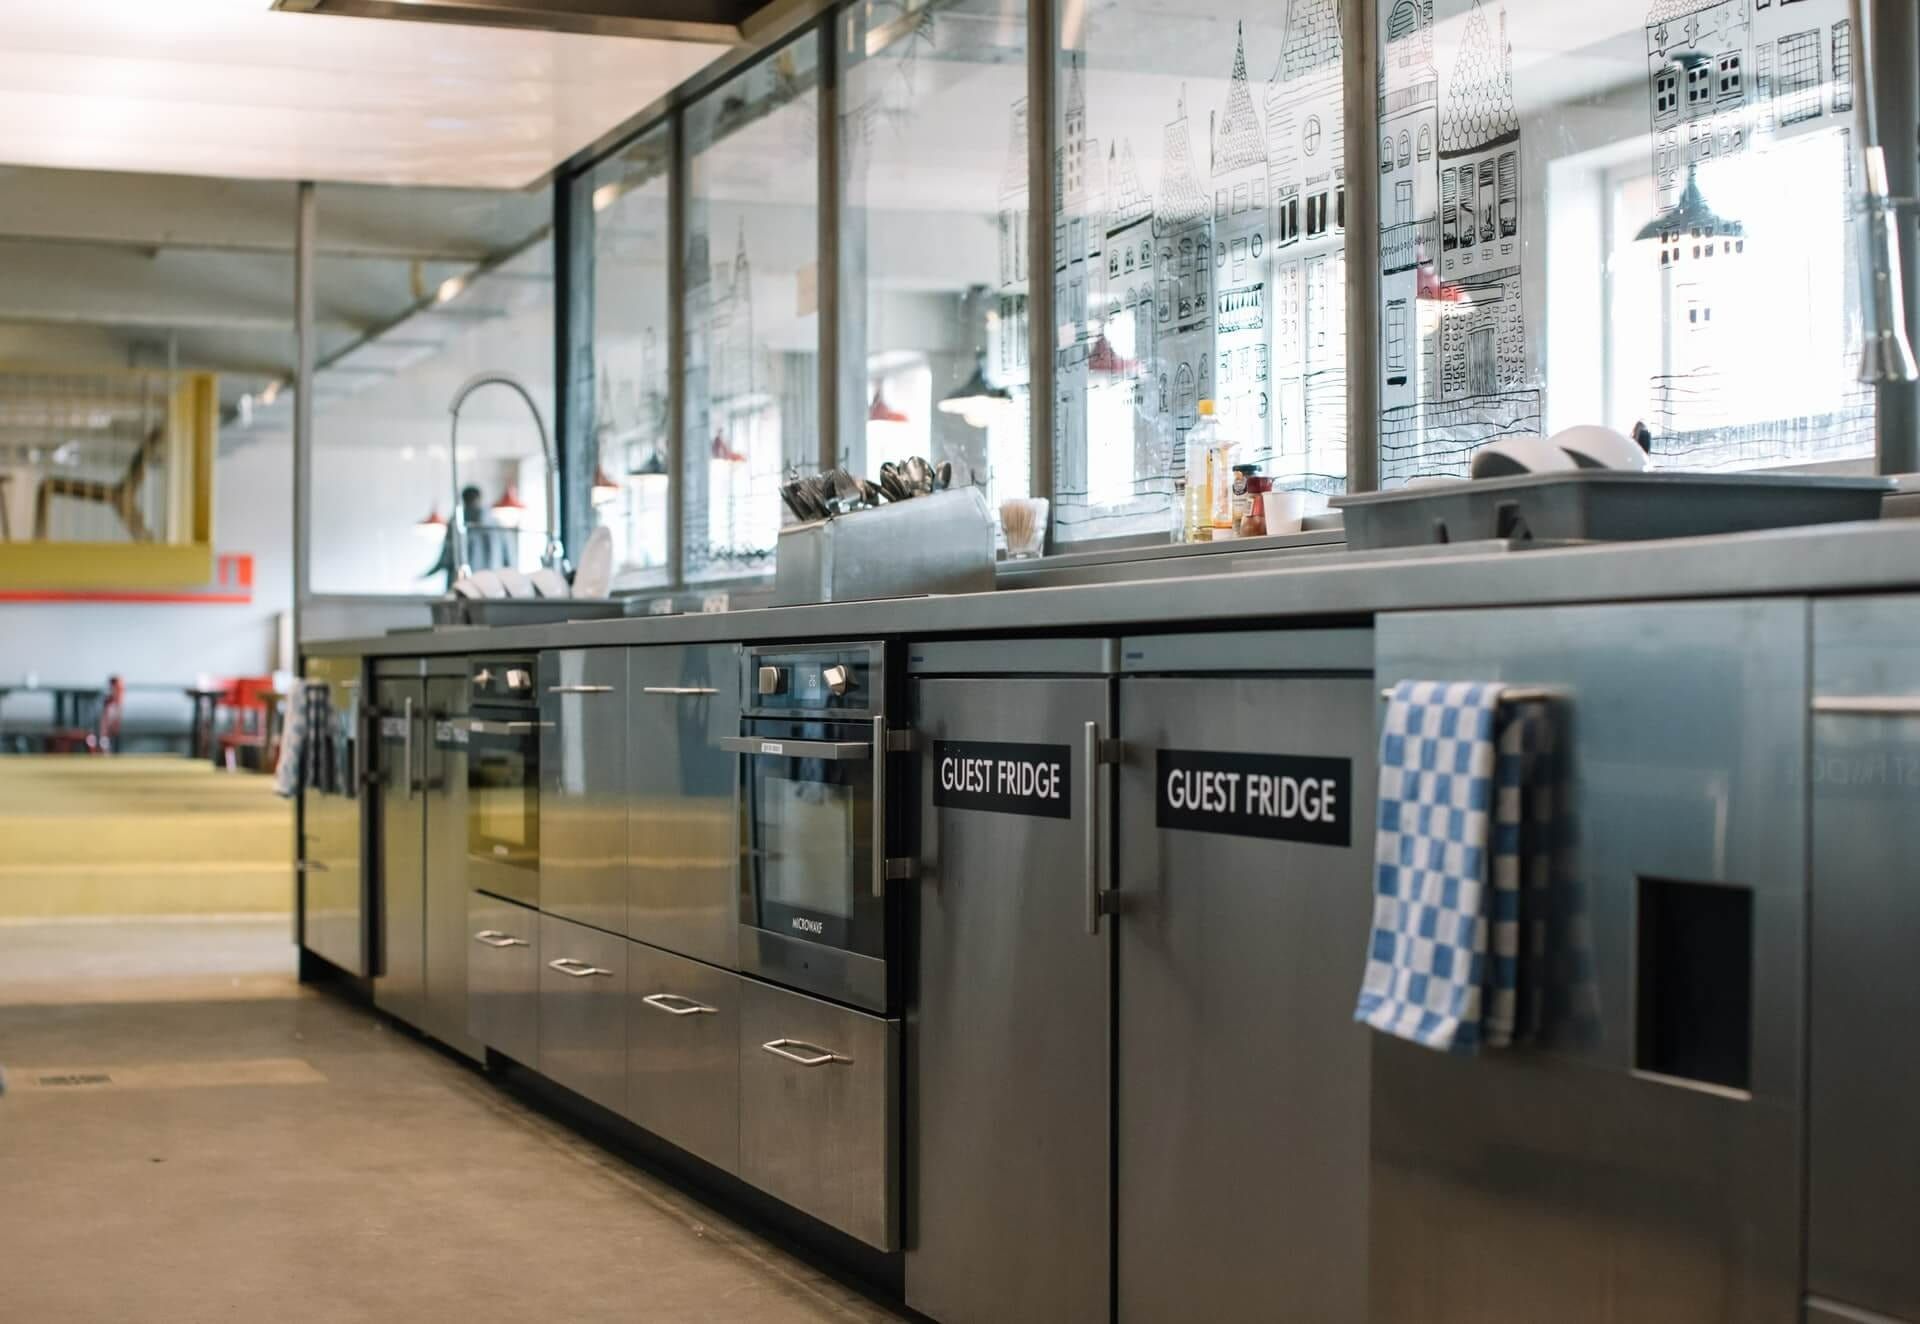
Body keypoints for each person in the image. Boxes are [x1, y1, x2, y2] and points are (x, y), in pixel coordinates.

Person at [427, 485, 514, 590]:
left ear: (463, 500)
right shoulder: (496, 524)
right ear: (481, 499)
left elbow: (445, 559)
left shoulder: (456, 523)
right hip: (491, 586)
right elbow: (509, 561)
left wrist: (425, 575)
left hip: (462, 586)